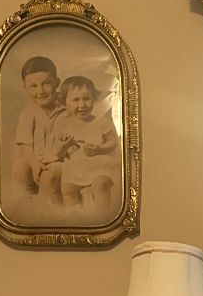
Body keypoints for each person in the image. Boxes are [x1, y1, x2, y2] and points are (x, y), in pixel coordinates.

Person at [52, 75, 121, 215]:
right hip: (75, 169)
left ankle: (103, 217)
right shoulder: (63, 125)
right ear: (65, 103)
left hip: (99, 167)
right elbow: (57, 153)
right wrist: (64, 147)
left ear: (94, 99)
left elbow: (113, 141)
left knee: (101, 184)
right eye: (76, 100)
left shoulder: (102, 122)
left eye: (87, 99)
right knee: (67, 189)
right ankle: (76, 220)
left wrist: (101, 149)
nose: (82, 105)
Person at [10, 56, 66, 210]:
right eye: (33, 86)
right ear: (25, 89)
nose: (40, 91)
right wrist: (34, 164)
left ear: (57, 83)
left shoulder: (66, 107)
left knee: (50, 176)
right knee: (19, 167)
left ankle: (53, 212)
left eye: (46, 83)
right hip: (37, 155)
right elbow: (25, 143)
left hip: (61, 158)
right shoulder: (28, 113)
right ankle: (24, 206)